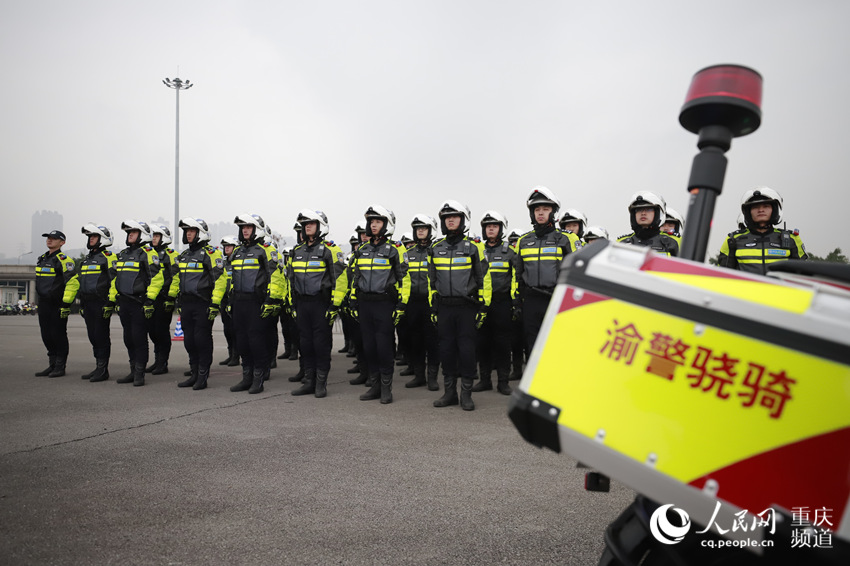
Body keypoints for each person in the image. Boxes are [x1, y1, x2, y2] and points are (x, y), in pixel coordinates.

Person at [429, 200, 492, 411]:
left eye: (454, 217)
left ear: (463, 220)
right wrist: (433, 306)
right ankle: (449, 393)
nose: (451, 220)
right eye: (447, 218)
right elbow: (432, 281)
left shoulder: (474, 247)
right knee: (446, 350)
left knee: (466, 351)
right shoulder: (435, 248)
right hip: (445, 308)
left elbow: (484, 278)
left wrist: (483, 306)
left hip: (467, 307)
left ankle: (466, 394)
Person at [349, 205, 410, 404]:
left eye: (378, 222)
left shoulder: (395, 249)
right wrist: (353, 299)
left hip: (385, 303)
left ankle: (386, 388)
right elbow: (355, 278)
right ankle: (374, 386)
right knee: (369, 346)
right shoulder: (363, 250)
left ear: (387, 225)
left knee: (383, 346)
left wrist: (401, 304)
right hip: (366, 304)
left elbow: (405, 279)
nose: (373, 225)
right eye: (371, 222)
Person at [514, 186, 581, 355]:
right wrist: (516, 301)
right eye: (537, 209)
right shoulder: (523, 241)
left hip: (556, 300)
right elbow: (517, 274)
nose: (541, 213)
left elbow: (577, 274)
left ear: (553, 212)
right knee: (532, 348)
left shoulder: (567, 238)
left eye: (545, 209)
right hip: (530, 301)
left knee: (558, 348)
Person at [289, 209, 347, 398]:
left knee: (321, 344)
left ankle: (321, 383)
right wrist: (292, 304)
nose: (308, 227)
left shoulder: (331, 249)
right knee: (305, 344)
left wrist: (334, 306)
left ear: (321, 226)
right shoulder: (296, 251)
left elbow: (340, 279)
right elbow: (290, 279)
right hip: (302, 305)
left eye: (311, 224)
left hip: (321, 304)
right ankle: (309, 380)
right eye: (305, 224)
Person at [229, 213, 286, 394]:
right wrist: (230, 300)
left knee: (256, 342)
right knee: (242, 343)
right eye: (243, 227)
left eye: (249, 227)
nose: (245, 230)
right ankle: (246, 377)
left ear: (257, 230)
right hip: (239, 303)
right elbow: (232, 278)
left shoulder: (266, 250)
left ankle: (258, 379)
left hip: (256, 303)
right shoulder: (237, 252)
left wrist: (272, 300)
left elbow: (276, 276)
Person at [108, 220, 164, 386]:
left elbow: (157, 278)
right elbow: (115, 278)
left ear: (142, 235)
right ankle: (132, 370)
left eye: (134, 232)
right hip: (124, 303)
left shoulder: (147, 253)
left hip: (139, 302)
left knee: (139, 338)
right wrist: (113, 298)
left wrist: (149, 300)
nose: (130, 234)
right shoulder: (123, 254)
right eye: (128, 232)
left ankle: (140, 373)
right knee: (128, 338)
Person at [174, 218, 227, 390]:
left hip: (203, 304)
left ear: (200, 233)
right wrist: (176, 299)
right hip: (187, 304)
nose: (188, 233)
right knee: (189, 340)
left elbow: (220, 279)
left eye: (192, 231)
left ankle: (203, 376)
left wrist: (215, 303)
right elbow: (177, 279)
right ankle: (194, 372)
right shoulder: (184, 255)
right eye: (186, 231)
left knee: (201, 339)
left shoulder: (211, 253)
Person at [718, 187, 807, 274]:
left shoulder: (792, 239)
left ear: (774, 209)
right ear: (748, 212)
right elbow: (722, 275)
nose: (761, 210)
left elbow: (804, 273)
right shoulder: (733, 240)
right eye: (755, 207)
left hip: (780, 288)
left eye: (766, 206)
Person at [474, 210, 516, 396]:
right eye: (487, 226)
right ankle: (484, 381)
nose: (491, 229)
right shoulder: (476, 251)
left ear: (501, 229)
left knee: (502, 343)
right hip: (482, 304)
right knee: (482, 342)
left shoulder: (510, 252)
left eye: (494, 226)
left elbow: (516, 277)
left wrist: (516, 302)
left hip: (502, 303)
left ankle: (503, 382)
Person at [402, 214, 440, 390]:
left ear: (431, 230)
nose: (420, 231)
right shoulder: (408, 254)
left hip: (430, 302)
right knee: (415, 340)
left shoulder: (436, 251)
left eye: (423, 228)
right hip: (413, 303)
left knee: (432, 341)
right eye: (418, 229)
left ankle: (432, 378)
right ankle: (419, 376)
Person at [34, 230, 79, 378]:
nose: (49, 240)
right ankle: (52, 364)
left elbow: (72, 282)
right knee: (46, 334)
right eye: (48, 238)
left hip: (58, 304)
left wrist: (66, 303)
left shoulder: (64, 260)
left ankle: (60, 366)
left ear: (62, 242)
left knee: (58, 334)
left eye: (54, 238)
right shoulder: (41, 259)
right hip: (44, 303)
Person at [78, 224, 117, 382]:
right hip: (88, 302)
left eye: (94, 236)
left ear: (103, 239)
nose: (91, 239)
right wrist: (81, 302)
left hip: (101, 302)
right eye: (90, 236)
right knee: (92, 335)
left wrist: (110, 301)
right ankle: (97, 366)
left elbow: (114, 280)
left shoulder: (109, 257)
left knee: (101, 336)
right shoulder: (88, 258)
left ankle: (103, 369)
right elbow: (82, 280)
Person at [145, 224, 179, 376]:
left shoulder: (171, 255)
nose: (153, 239)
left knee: (161, 331)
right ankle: (157, 360)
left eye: (156, 236)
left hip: (164, 298)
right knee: (152, 330)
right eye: (152, 236)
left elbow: (176, 277)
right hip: (151, 298)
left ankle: (162, 362)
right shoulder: (148, 253)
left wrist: (171, 296)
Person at [617, 191, 680, 256]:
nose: (643, 213)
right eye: (639, 210)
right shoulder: (621, 243)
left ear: (657, 213)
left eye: (648, 209)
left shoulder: (672, 243)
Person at [218, 236, 240, 367]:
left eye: (229, 246)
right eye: (225, 246)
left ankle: (236, 356)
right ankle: (230, 354)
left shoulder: (237, 262)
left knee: (235, 329)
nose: (226, 248)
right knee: (227, 329)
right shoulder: (223, 264)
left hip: (235, 300)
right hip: (224, 300)